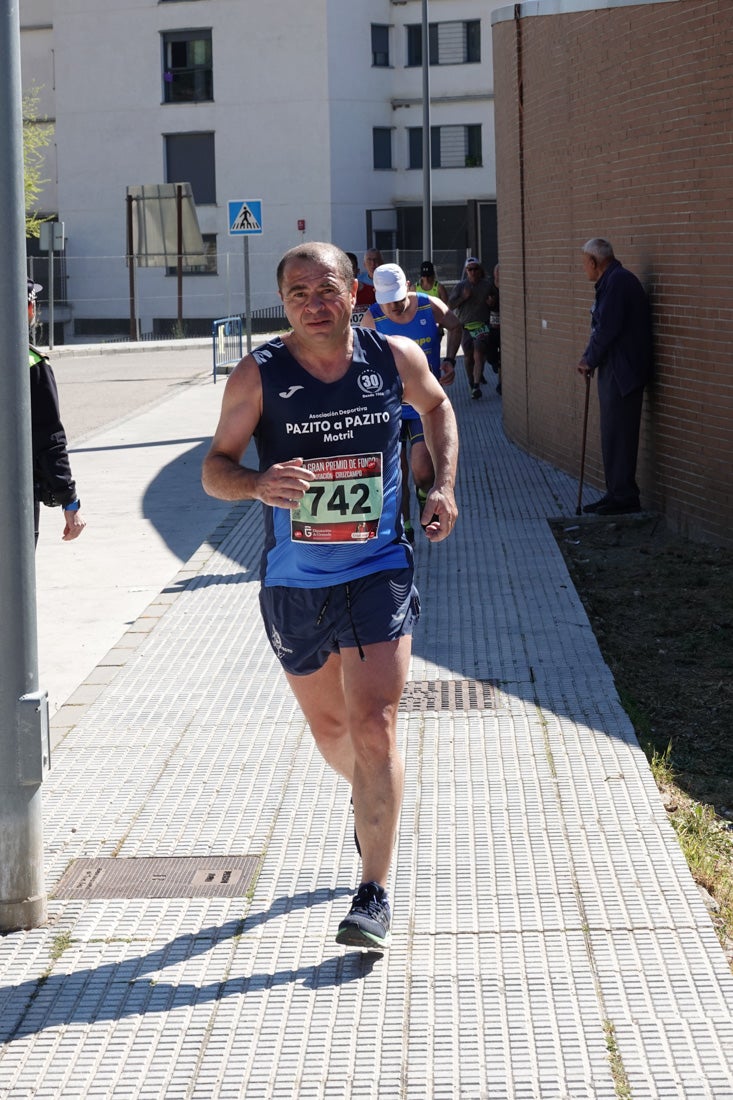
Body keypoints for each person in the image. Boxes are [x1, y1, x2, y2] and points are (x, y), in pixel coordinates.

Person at [202, 242, 458, 952]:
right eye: (297, 293)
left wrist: (441, 484)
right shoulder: (259, 374)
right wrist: (254, 484)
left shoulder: (392, 358)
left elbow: (437, 407)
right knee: (333, 735)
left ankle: (372, 890)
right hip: (295, 582)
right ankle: (368, 796)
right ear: (283, 303)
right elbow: (213, 469)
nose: (313, 302)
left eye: (326, 288)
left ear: (354, 294)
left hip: (378, 566)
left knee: (374, 724)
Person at [361, 262, 462, 543]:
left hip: (422, 404)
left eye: (396, 300)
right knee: (397, 473)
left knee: (421, 469)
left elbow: (455, 326)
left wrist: (450, 360)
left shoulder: (429, 306)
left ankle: (424, 494)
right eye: (386, 302)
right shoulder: (372, 318)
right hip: (390, 407)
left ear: (408, 287)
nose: (392, 307)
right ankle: (404, 527)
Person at [577, 238, 653, 515]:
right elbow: (601, 329)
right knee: (611, 433)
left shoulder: (619, 283)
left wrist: (589, 359)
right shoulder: (610, 283)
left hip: (624, 373)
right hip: (615, 370)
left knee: (619, 433)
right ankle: (615, 492)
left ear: (595, 263)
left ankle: (624, 496)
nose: (583, 268)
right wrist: (589, 356)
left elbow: (607, 329)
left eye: (585, 263)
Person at [27, 280, 85, 545]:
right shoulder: (31, 363)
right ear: (28, 309)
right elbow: (49, 439)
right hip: (14, 494)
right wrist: (69, 500)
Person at [448, 258, 495, 399]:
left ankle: (476, 385)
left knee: (479, 351)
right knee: (468, 357)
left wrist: (492, 303)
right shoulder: (461, 286)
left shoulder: (487, 285)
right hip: (465, 327)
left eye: (475, 269)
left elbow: (496, 302)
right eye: (470, 269)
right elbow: (450, 305)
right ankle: (471, 382)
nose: (473, 272)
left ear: (480, 270)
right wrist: (463, 297)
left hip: (482, 325)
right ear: (466, 271)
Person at [486, 263, 501, 395]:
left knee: (502, 358)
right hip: (491, 326)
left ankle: (501, 384)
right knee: (491, 356)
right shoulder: (489, 286)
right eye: (497, 271)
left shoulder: (506, 286)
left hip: (503, 328)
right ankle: (495, 363)